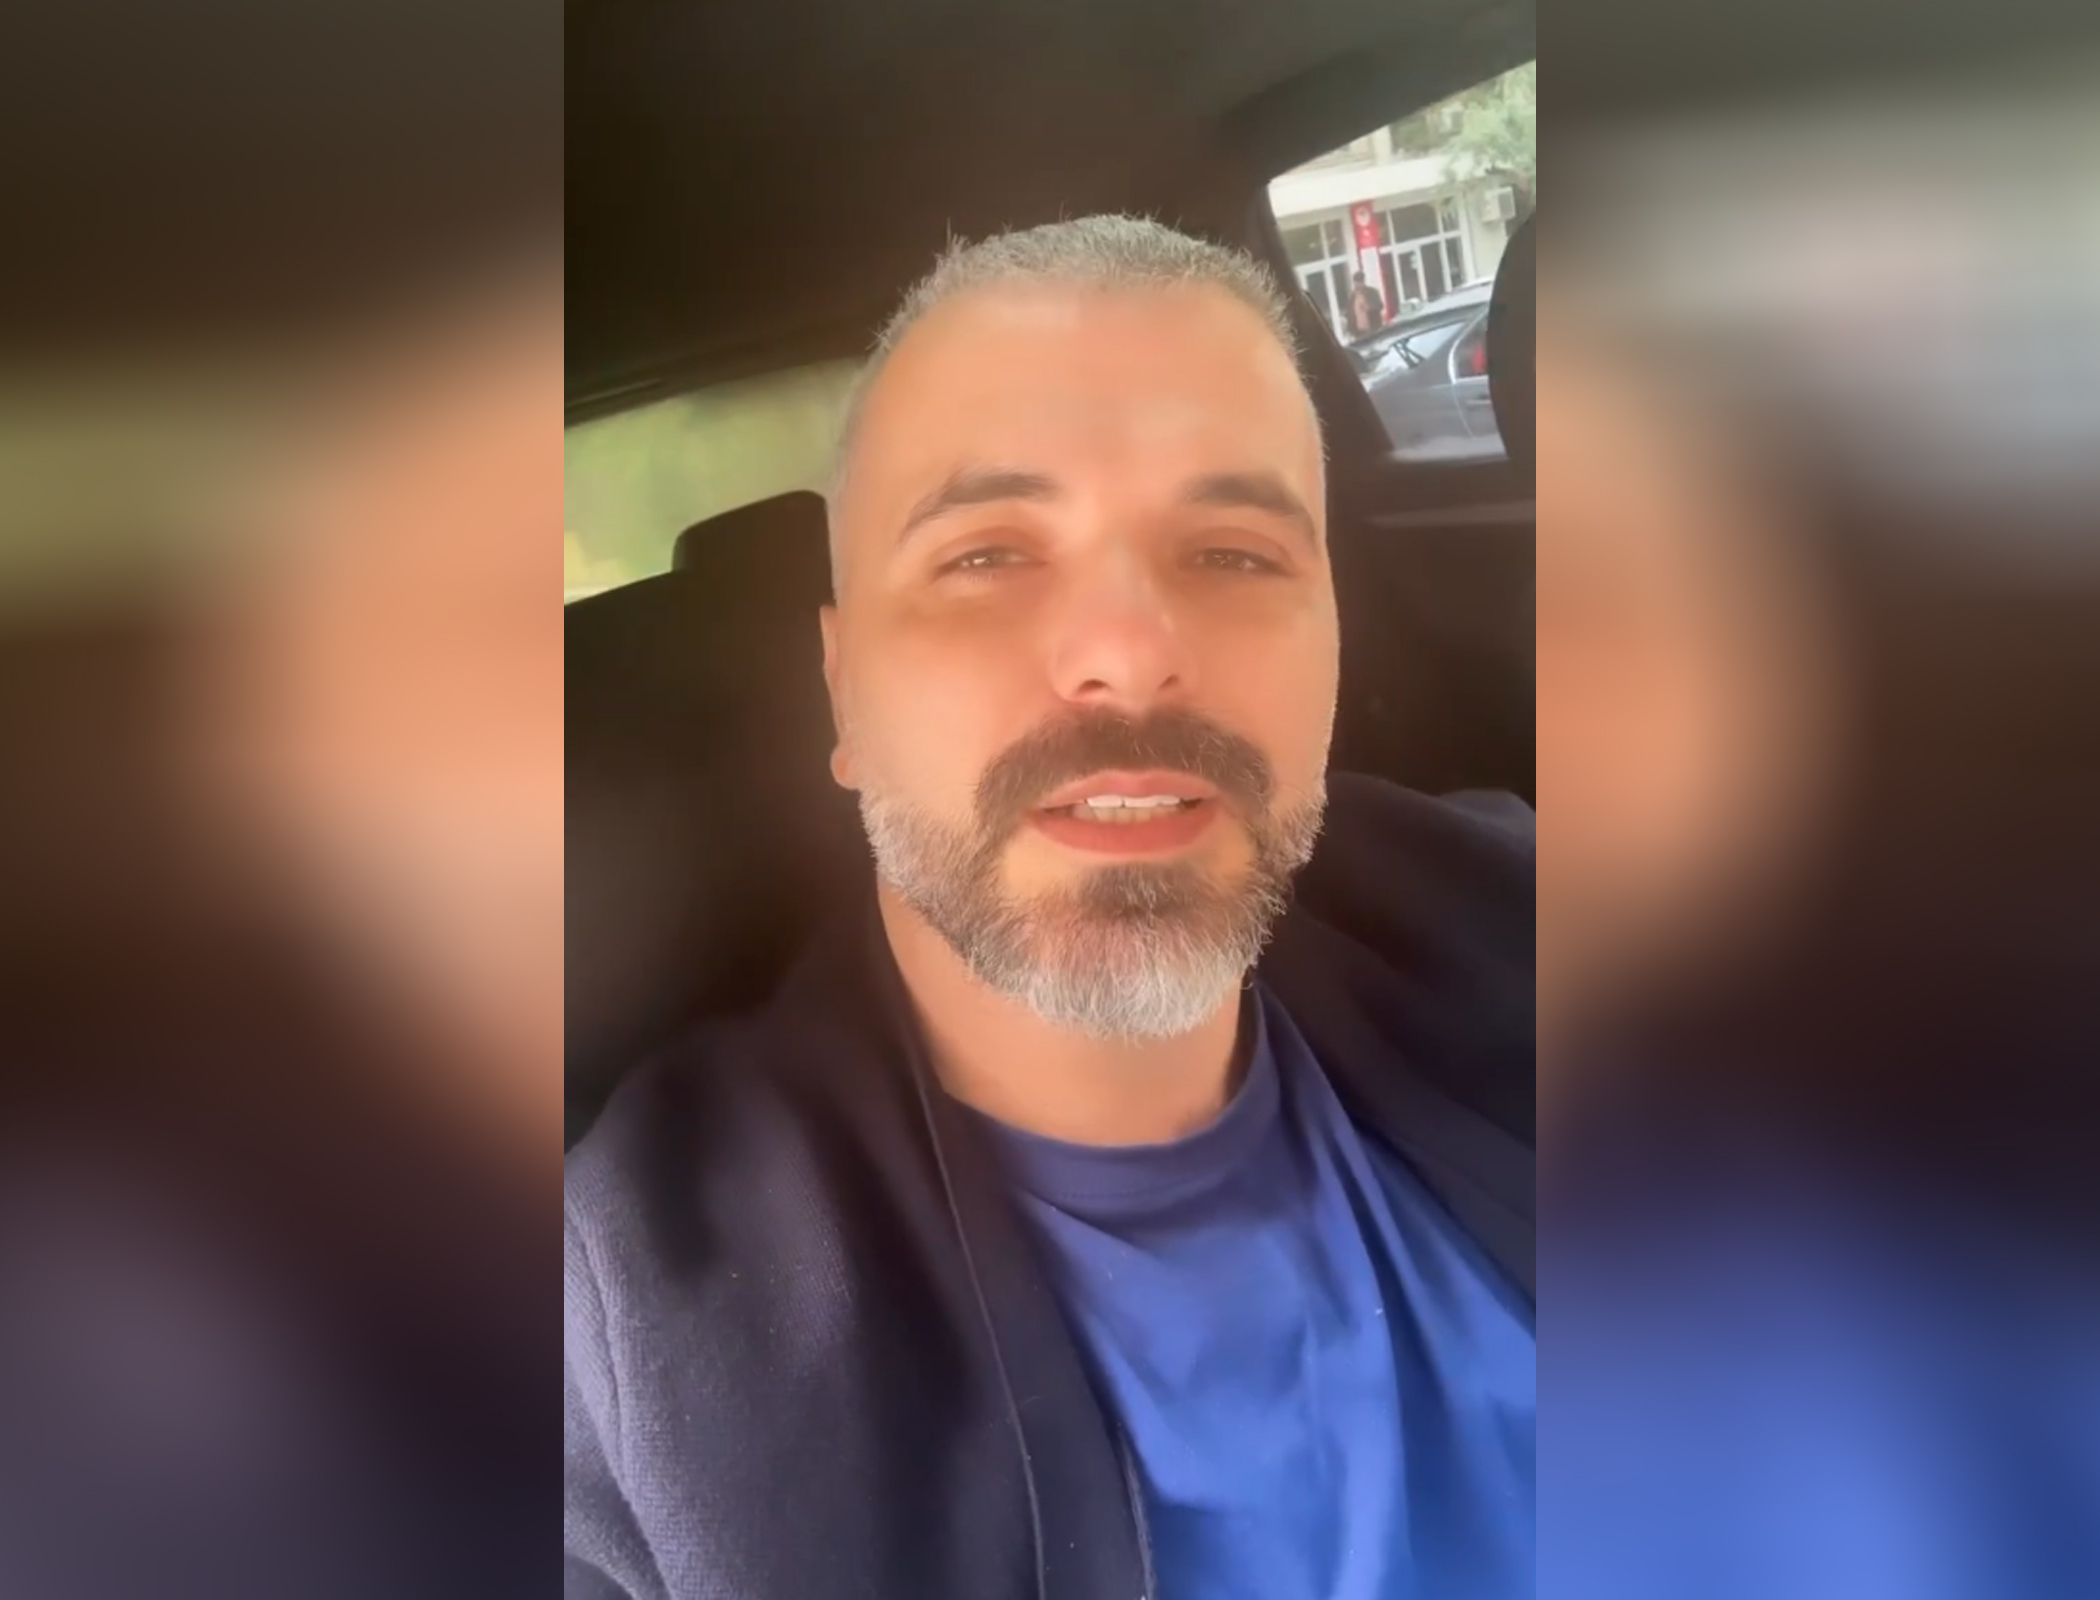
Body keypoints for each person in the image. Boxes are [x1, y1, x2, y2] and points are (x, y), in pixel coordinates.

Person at [563, 216, 1534, 1600]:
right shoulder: (624, 1340)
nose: (1129, 656)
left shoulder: (1514, 906)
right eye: (986, 556)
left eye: (1235, 552)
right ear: (843, 696)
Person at [1350, 269, 1385, 335]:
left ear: (1363, 281)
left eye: (1360, 282)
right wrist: (1351, 329)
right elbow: (1350, 313)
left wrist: (1369, 307)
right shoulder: (1352, 296)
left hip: (1372, 328)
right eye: (1356, 282)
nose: (1358, 284)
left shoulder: (1372, 292)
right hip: (1359, 331)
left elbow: (1380, 305)